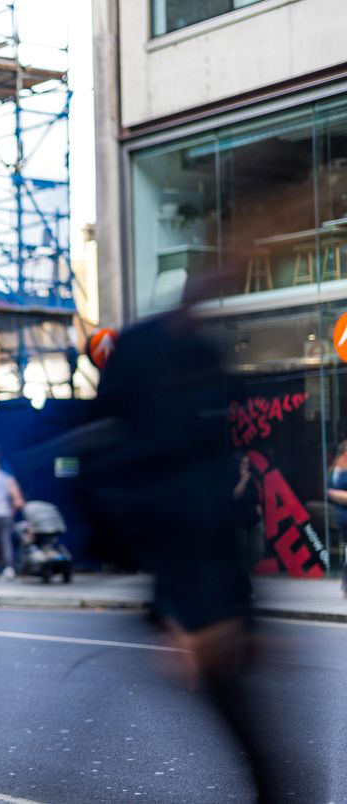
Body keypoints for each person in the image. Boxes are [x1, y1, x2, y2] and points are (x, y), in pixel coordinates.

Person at [79, 295, 285, 801]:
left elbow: (203, 495)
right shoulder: (153, 356)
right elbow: (147, 489)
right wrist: (177, 609)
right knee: (256, 751)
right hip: (195, 594)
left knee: (260, 752)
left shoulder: (202, 357)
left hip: (209, 590)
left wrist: (243, 612)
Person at [231, 452, 263, 580]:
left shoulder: (251, 477)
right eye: (244, 463)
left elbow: (256, 498)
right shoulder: (233, 477)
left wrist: (260, 514)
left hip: (254, 519)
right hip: (239, 520)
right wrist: (243, 480)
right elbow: (234, 496)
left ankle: (247, 573)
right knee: (242, 552)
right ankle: (243, 579)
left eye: (247, 463)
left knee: (258, 550)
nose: (246, 466)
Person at [327, 441, 347, 596]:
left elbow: (331, 492)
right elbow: (328, 492)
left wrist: (336, 495)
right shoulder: (335, 471)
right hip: (342, 518)